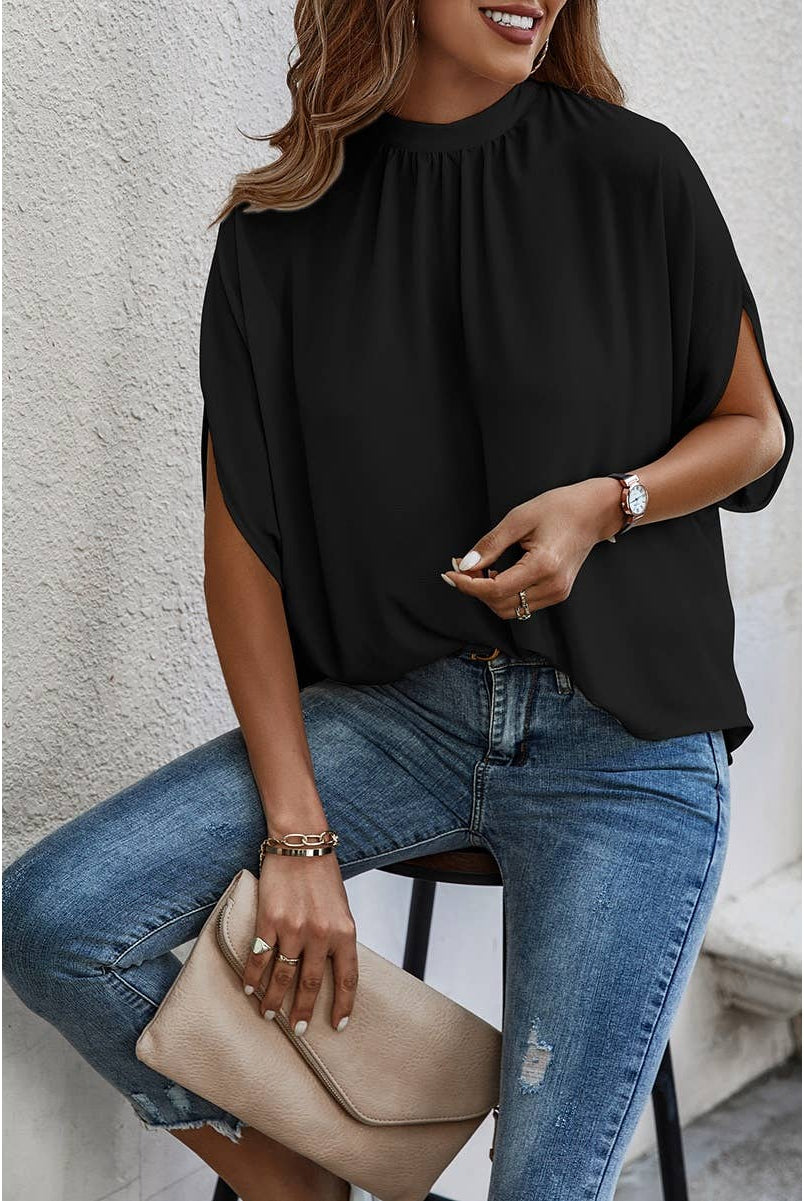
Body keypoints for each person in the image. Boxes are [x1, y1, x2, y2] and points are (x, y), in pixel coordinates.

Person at [3, 1, 794, 1199]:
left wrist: (610, 502)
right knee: (56, 914)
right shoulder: (276, 239)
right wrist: (298, 837)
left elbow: (755, 431)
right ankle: (297, 1180)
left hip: (622, 740)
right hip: (398, 719)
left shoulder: (634, 173)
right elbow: (244, 564)